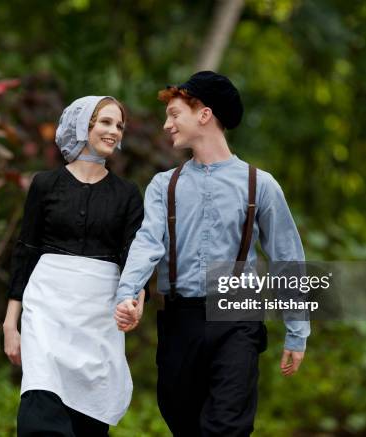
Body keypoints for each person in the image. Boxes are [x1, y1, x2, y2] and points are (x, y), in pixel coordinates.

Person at [114, 71, 311, 436]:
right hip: (179, 318)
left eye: (174, 114)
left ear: (203, 114)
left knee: (227, 426)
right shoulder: (163, 186)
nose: (167, 123)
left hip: (238, 316)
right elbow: (147, 243)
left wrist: (297, 330)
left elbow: (287, 258)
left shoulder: (260, 185)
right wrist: (127, 294)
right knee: (181, 419)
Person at [3, 95, 146, 437]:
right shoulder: (44, 185)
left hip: (100, 314)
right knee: (40, 414)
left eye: (119, 125)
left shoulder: (128, 193)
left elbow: (135, 258)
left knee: (89, 420)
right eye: (106, 122)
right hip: (46, 308)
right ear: (83, 126)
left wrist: (136, 303)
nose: (114, 131)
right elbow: (26, 250)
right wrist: (11, 322)